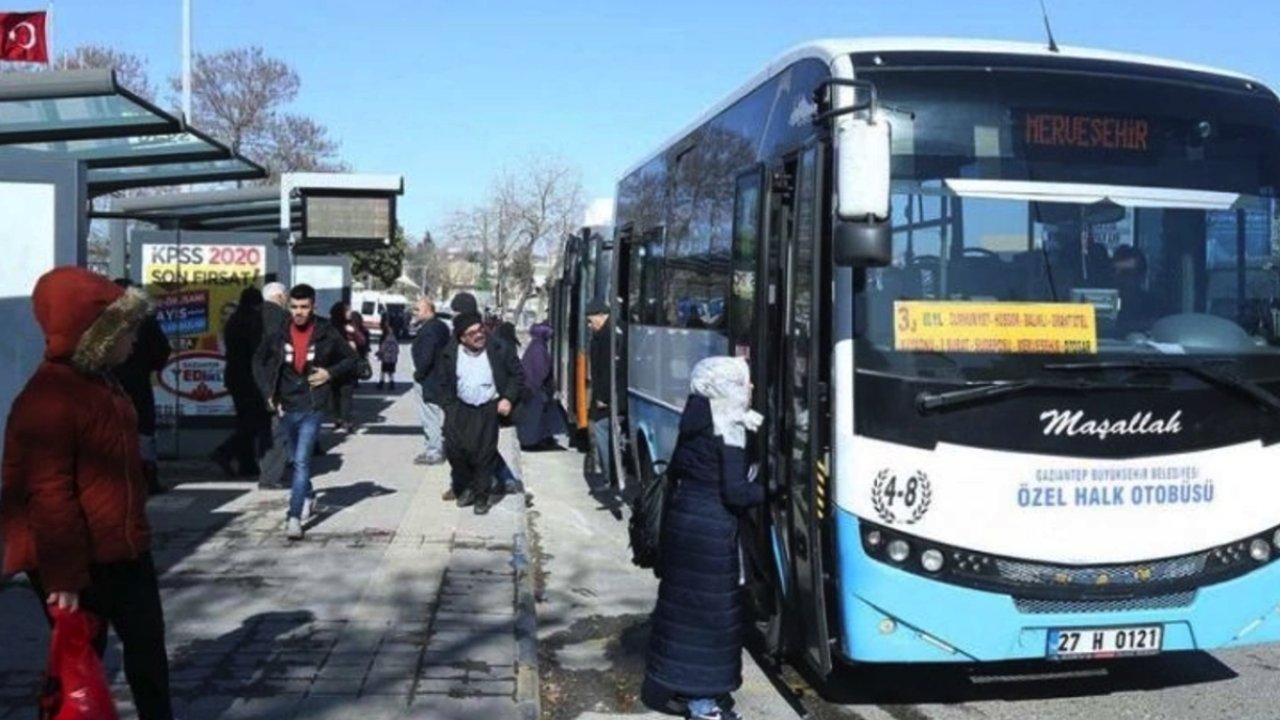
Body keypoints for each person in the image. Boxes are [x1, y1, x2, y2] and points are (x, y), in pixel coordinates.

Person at [3, 267, 175, 719]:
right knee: (78, 667)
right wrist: (62, 579)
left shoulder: (102, 381)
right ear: (95, 335)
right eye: (125, 330)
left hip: (124, 549)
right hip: (80, 564)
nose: (134, 341)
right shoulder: (51, 398)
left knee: (148, 657)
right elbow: (47, 494)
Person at [643, 356, 764, 720]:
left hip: (684, 526)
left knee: (684, 612)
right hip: (711, 534)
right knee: (709, 620)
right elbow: (736, 493)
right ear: (725, 386)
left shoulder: (696, 414)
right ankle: (703, 704)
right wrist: (773, 490)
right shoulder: (728, 426)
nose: (751, 387)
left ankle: (681, 689)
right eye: (744, 381)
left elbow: (681, 467)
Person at [255, 284, 358, 540]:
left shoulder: (325, 330)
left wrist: (329, 373)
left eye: (304, 307)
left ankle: (293, 516)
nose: (299, 312)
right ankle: (308, 494)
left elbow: (351, 358)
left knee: (301, 461)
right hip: (286, 403)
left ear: (313, 307)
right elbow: (259, 359)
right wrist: (268, 391)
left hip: (313, 404)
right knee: (293, 458)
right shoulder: (279, 330)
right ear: (288, 305)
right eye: (294, 307)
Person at [436, 312, 525, 515]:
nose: (478, 335)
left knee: (484, 454)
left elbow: (517, 376)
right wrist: (448, 406)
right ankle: (465, 486)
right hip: (459, 408)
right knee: (455, 451)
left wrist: (507, 398)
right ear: (461, 338)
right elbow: (441, 382)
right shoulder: (449, 353)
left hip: (488, 407)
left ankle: (481, 497)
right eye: (472, 333)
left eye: (480, 329)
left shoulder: (499, 348)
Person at [111, 278, 171, 496]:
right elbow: (162, 349)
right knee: (143, 428)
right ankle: (147, 477)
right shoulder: (144, 319)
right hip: (138, 382)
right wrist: (150, 365)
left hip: (110, 382)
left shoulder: (103, 318)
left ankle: (117, 477)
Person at [213, 286, 270, 478]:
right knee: (254, 421)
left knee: (245, 420)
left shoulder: (234, 320)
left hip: (234, 376)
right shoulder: (252, 321)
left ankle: (247, 463)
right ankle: (226, 451)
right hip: (249, 378)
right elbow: (257, 352)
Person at [254, 282, 293, 489]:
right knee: (278, 430)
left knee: (262, 429)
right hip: (273, 381)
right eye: (286, 296)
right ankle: (270, 477)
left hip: (248, 381)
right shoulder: (282, 319)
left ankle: (263, 470)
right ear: (279, 297)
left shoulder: (249, 316)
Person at [410, 298, 450, 467]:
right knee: (435, 413)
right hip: (439, 377)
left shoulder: (429, 331)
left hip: (429, 379)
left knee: (429, 415)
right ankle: (437, 447)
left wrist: (419, 374)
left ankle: (434, 450)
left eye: (417, 310)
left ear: (428, 311)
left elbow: (427, 356)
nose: (415, 313)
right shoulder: (440, 326)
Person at [517, 321, 567, 449]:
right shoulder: (539, 348)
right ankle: (532, 442)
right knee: (536, 418)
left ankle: (535, 440)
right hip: (535, 390)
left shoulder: (535, 346)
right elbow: (541, 371)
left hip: (531, 388)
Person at [586, 298, 614, 488]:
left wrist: (603, 398)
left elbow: (607, 370)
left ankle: (608, 475)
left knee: (601, 429)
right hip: (607, 395)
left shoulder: (607, 337)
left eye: (590, 321)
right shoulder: (607, 333)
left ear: (601, 316)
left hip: (607, 397)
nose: (589, 325)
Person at [328, 302, 366, 432]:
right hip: (345, 363)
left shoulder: (328, 326)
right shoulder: (348, 328)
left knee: (335, 393)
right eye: (348, 311)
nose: (350, 313)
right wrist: (354, 332)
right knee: (346, 392)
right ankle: (346, 420)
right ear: (341, 312)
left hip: (331, 364)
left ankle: (337, 419)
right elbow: (362, 341)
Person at [1113, 244, 1160, 334]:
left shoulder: (1154, 306)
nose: (1117, 278)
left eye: (1126, 273)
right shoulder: (1100, 304)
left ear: (1141, 276)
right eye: (1113, 271)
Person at [376, 316, 400, 391]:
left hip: (386, 356)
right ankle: (391, 382)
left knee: (384, 369)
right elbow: (397, 348)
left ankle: (382, 382)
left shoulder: (385, 335)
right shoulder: (395, 335)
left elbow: (383, 346)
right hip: (392, 356)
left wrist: (379, 352)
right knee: (391, 370)